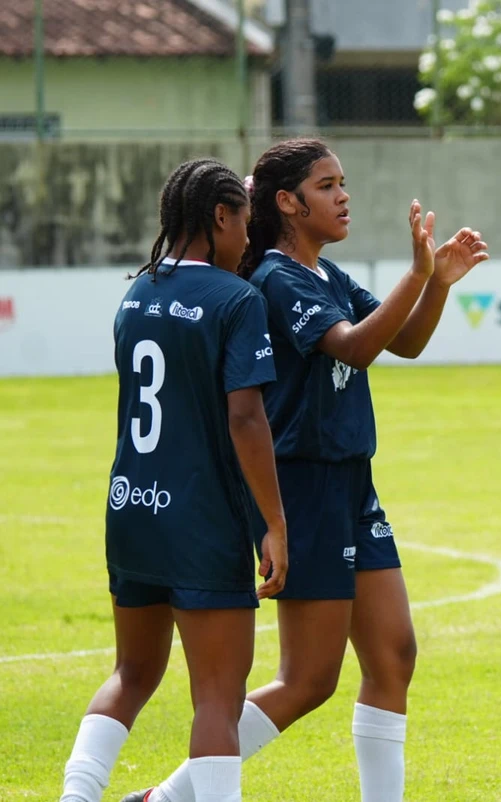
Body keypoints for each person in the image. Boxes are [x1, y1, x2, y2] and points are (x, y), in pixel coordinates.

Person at [130, 139, 488, 802]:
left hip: (352, 481)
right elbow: (355, 346)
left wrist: (435, 283)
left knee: (394, 656)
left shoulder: (324, 274)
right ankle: (165, 797)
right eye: (327, 185)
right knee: (309, 678)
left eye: (343, 182)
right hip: (305, 486)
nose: (343, 195)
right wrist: (417, 273)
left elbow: (402, 340)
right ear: (288, 202)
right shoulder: (274, 275)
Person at [61, 158, 288, 802]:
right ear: (220, 217)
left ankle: (76, 797)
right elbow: (245, 418)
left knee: (131, 672)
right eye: (244, 221)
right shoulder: (237, 298)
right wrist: (273, 522)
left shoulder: (135, 293)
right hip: (201, 520)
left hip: (131, 507)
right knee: (218, 695)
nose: (249, 238)